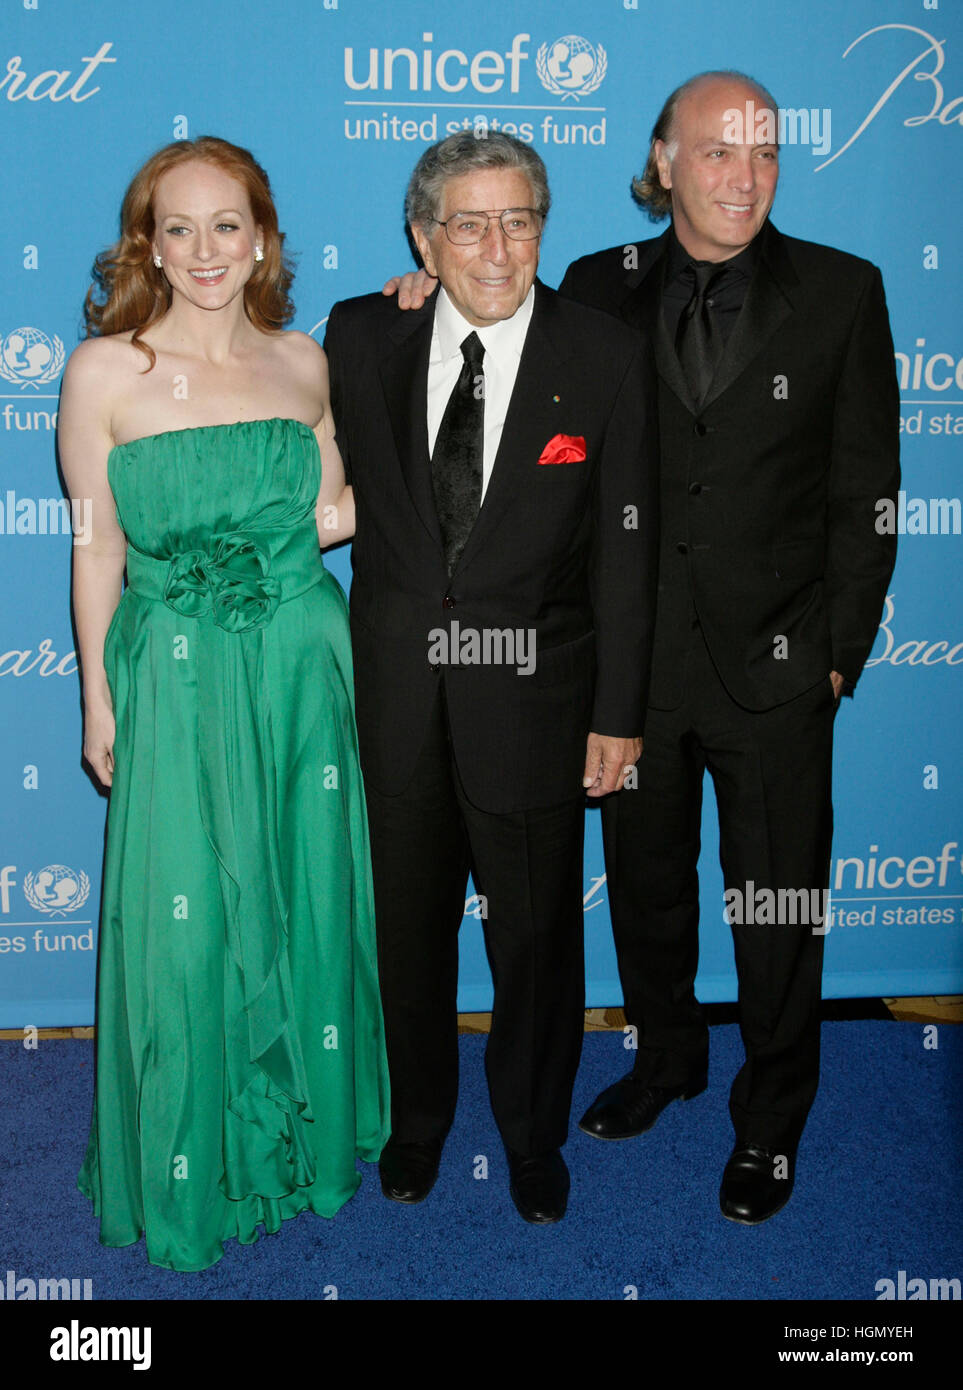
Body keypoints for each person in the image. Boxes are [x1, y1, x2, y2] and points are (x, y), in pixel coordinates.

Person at [387, 71, 900, 1225]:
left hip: (777, 673)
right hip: (627, 672)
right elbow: (490, 349)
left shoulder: (842, 292)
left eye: (765, 152)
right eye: (717, 152)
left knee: (774, 906)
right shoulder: (590, 286)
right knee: (650, 897)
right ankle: (668, 1057)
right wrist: (426, 290)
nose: (745, 175)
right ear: (664, 162)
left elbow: (869, 490)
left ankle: (773, 1123)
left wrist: (837, 652)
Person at [59, 136, 389, 1272]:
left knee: (302, 890)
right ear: (147, 244)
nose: (206, 251)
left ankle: (302, 1139)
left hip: (298, 658)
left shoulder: (306, 360)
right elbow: (95, 547)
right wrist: (100, 692)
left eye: (229, 225)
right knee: (184, 922)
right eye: (180, 228)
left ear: (264, 239)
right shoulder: (107, 370)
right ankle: (195, 1154)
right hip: (176, 667)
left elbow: (339, 508)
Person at [325, 131, 658, 1223]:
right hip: (399, 698)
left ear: (542, 229)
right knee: (407, 933)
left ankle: (531, 1133)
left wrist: (619, 714)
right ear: (423, 235)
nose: (497, 246)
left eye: (519, 219)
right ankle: (416, 1124)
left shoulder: (603, 353)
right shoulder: (364, 329)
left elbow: (625, 549)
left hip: (536, 701)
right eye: (468, 222)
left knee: (536, 938)